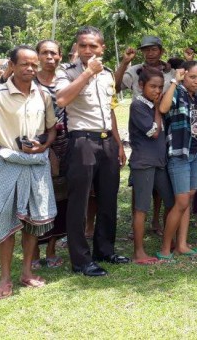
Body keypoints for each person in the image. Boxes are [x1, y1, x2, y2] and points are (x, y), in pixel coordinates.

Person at [0, 45, 58, 299]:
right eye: (24, 64)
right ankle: (5, 277)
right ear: (12, 65)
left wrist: (45, 144)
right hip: (8, 163)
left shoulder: (43, 95)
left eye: (34, 65)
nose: (30, 69)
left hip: (36, 164)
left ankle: (26, 272)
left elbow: (52, 128)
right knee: (5, 221)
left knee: (31, 220)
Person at [56, 26, 130, 276]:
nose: (87, 50)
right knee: (79, 201)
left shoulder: (108, 74)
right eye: (82, 45)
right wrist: (87, 72)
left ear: (102, 48)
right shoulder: (66, 72)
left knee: (108, 198)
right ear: (76, 47)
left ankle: (105, 251)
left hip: (107, 140)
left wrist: (118, 143)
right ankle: (81, 260)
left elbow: (109, 110)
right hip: (82, 141)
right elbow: (62, 99)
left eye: (93, 46)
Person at [116, 35, 176, 236]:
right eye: (146, 50)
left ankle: (157, 222)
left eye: (154, 49)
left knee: (161, 181)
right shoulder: (134, 72)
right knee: (141, 185)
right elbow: (116, 88)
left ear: (161, 50)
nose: (150, 53)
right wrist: (125, 63)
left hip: (164, 127)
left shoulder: (170, 73)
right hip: (143, 122)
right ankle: (137, 226)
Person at [158, 61, 197, 260]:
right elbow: (163, 108)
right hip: (179, 154)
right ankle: (165, 249)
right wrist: (174, 81)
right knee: (181, 202)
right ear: (184, 75)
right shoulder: (177, 93)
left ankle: (181, 244)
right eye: (192, 77)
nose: (196, 81)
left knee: (188, 200)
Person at [128, 67, 175, 264]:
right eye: (152, 86)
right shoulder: (138, 106)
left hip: (159, 162)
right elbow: (153, 132)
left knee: (172, 202)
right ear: (141, 86)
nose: (157, 90)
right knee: (142, 208)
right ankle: (139, 252)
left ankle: (170, 242)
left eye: (159, 87)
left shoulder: (155, 105)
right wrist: (157, 108)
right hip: (144, 163)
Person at [32, 40, 68, 270]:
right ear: (37, 56)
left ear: (60, 56)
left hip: (65, 145)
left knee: (60, 198)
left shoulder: (66, 81)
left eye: (53, 53)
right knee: (34, 198)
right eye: (44, 53)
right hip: (34, 146)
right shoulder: (28, 80)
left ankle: (52, 248)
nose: (49, 57)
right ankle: (33, 251)